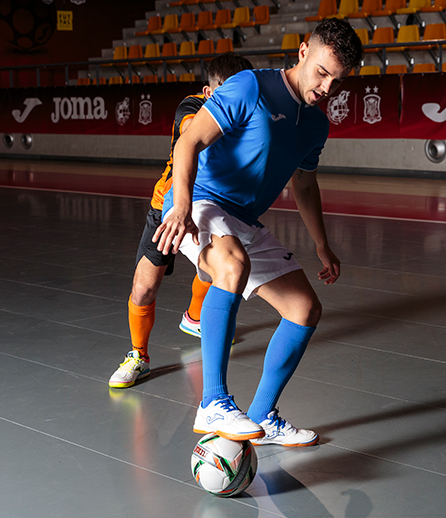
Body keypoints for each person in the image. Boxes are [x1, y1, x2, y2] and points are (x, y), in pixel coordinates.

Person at [153, 18, 363, 447]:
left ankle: (263, 415)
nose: (327, 89)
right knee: (230, 266)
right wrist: (180, 207)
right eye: (322, 73)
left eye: (338, 82)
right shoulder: (250, 87)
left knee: (304, 309)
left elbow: (304, 183)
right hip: (202, 202)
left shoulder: (316, 125)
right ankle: (212, 401)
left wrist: (323, 244)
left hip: (244, 219)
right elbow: (187, 142)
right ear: (303, 52)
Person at [109, 53, 254, 389]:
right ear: (208, 92)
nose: (233, 102)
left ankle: (195, 317)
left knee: (212, 271)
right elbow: (193, 135)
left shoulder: (251, 114)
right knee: (144, 287)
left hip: (214, 206)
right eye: (224, 94)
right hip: (169, 206)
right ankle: (138, 355)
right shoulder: (190, 107)